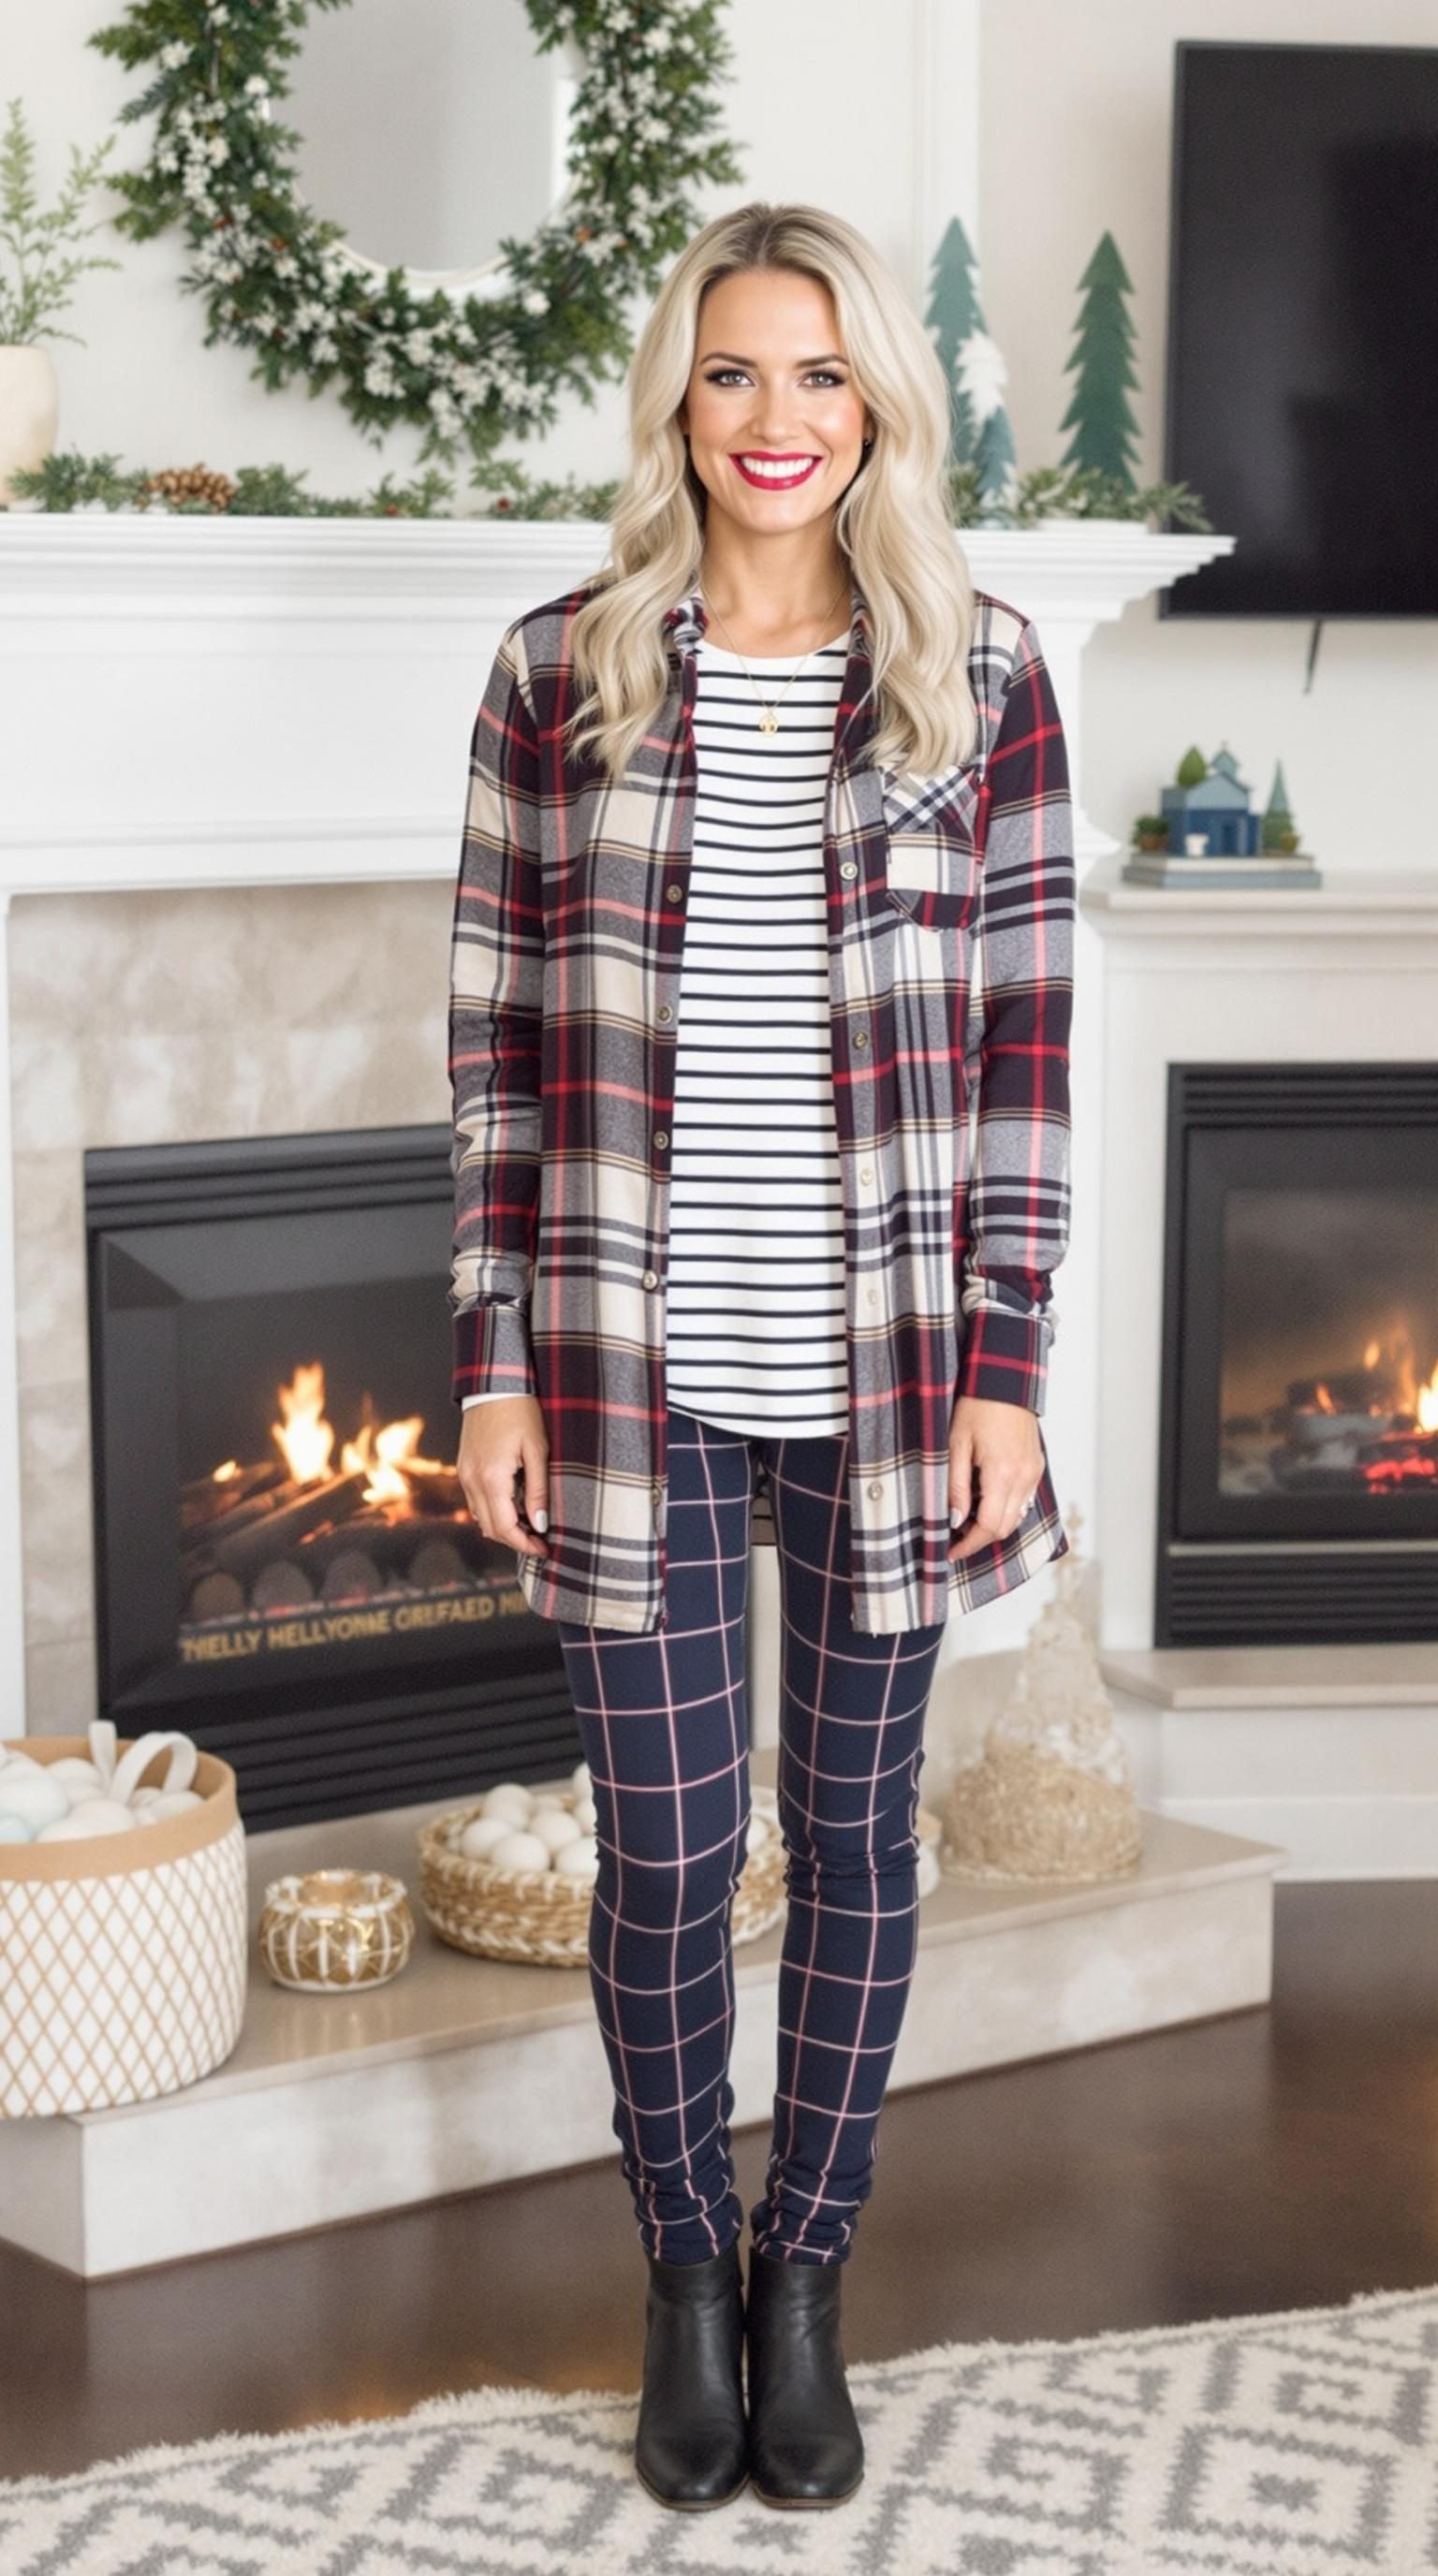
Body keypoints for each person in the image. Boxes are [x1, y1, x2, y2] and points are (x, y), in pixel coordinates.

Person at [448, 199, 1075, 2514]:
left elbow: (1027, 1047)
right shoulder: (560, 672)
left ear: (878, 402)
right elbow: (495, 1056)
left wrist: (1007, 1354)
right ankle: (677, 2272)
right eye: (733, 374)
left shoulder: (983, 677)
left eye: (821, 375)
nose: (777, 420)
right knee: (667, 1852)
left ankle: (807, 2279)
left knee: (855, 1838)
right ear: (677, 404)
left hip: (899, 1371)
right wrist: (492, 1356)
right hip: (631, 1378)